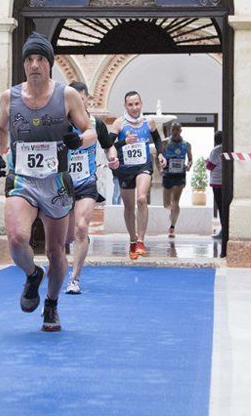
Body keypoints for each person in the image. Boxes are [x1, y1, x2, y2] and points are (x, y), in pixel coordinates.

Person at [0, 32, 96, 332]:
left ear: (49, 63)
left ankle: (51, 304)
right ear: (24, 64)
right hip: (22, 177)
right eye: (29, 59)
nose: (34, 64)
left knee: (54, 251)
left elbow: (90, 131)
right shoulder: (8, 97)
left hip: (56, 182)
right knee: (15, 238)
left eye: (40, 59)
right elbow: (0, 130)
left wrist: (77, 139)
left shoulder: (67, 96)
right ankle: (32, 274)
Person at [64, 82, 119, 295]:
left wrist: (112, 158)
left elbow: (108, 145)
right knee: (65, 236)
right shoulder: (60, 123)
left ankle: (74, 278)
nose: (77, 102)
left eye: (81, 98)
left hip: (86, 182)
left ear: (87, 100)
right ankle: (60, 267)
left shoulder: (95, 124)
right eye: (73, 99)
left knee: (80, 227)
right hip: (62, 184)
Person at [109, 91, 166, 260]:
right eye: (130, 104)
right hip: (125, 169)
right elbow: (109, 144)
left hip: (143, 166)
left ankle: (141, 240)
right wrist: (123, 142)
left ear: (141, 104)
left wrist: (161, 154)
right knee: (128, 207)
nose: (134, 108)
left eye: (137, 104)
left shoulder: (149, 122)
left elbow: (157, 140)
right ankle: (133, 240)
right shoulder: (119, 123)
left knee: (141, 198)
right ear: (125, 106)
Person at [161, 122, 192, 238]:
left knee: (176, 202)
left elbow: (190, 159)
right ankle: (172, 213)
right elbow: (157, 157)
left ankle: (172, 226)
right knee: (166, 204)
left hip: (180, 175)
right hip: (168, 174)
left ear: (180, 131)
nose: (174, 132)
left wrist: (189, 166)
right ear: (170, 131)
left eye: (177, 130)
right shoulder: (165, 143)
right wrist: (160, 168)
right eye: (173, 130)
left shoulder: (186, 144)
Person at [206, 130, 231, 257]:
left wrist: (206, 162)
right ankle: (225, 229)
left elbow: (210, 166)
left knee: (221, 208)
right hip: (226, 182)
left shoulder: (216, 150)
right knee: (225, 207)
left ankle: (224, 230)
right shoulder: (228, 149)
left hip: (216, 182)